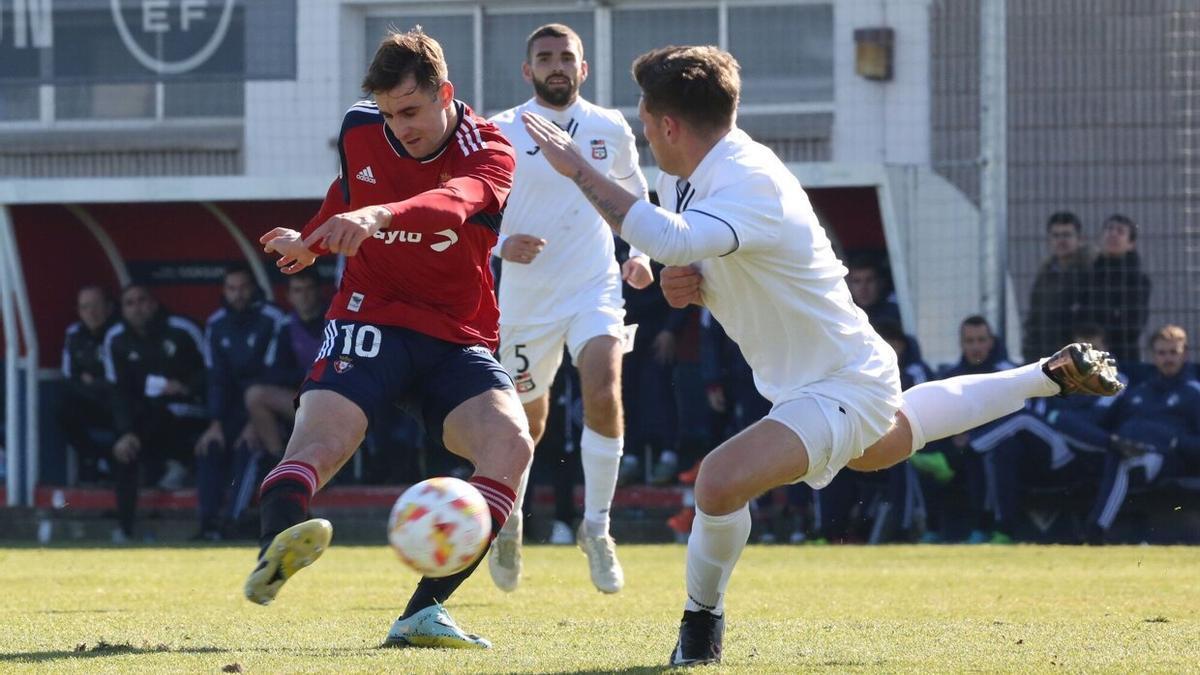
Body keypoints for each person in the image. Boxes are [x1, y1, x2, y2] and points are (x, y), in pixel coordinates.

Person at [522, 44, 1124, 665]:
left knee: (719, 482)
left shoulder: (750, 177)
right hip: (817, 376)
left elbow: (664, 235)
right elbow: (697, 250)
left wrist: (578, 169)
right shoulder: (684, 173)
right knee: (892, 441)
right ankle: (1045, 376)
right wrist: (694, 281)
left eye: (647, 124)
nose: (645, 137)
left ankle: (700, 626)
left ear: (669, 125)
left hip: (843, 380)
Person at [243, 27, 531, 650]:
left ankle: (421, 614)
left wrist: (378, 217)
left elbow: (453, 203)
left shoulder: (492, 149)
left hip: (456, 333)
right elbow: (351, 188)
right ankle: (278, 544)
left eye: (412, 111)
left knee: (510, 445)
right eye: (390, 113)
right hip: (369, 315)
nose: (400, 126)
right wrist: (311, 238)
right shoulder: (360, 125)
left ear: (445, 94)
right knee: (321, 440)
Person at [485, 23, 652, 594]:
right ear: (527, 70)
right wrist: (500, 246)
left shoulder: (609, 127)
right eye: (545, 58)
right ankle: (509, 520)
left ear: (583, 69)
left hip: (594, 289)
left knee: (604, 391)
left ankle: (598, 529)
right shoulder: (501, 129)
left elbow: (636, 196)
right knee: (526, 426)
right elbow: (469, 212)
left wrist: (643, 253)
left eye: (566, 58)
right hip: (526, 304)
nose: (556, 66)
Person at [1070, 325, 1199, 543]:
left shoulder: (1193, 393)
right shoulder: (1140, 390)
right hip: (1126, 447)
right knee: (1105, 447)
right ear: (1153, 356)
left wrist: (1175, 441)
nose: (1168, 359)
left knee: (1121, 460)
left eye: (1173, 352)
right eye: (1161, 353)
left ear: (1185, 353)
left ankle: (1095, 530)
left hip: (1163, 456)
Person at [101, 284, 208, 541]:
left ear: (153, 303)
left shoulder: (182, 330)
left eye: (142, 301)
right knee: (126, 446)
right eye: (130, 303)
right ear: (122, 309)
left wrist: (185, 386)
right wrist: (125, 431)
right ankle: (125, 529)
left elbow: (213, 371)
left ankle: (179, 464)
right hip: (146, 417)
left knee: (154, 420)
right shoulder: (116, 338)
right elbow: (118, 391)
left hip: (190, 408)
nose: (137, 308)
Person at [192, 264, 286, 539]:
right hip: (231, 412)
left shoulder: (273, 318)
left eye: (243, 287)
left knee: (248, 448)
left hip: (267, 413)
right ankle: (207, 524)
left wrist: (254, 422)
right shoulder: (216, 323)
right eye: (232, 288)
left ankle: (232, 522)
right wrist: (215, 423)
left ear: (255, 288)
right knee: (209, 447)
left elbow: (273, 373)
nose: (238, 294)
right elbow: (216, 377)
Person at [60, 285, 119, 484]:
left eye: (96, 306)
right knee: (63, 406)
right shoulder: (74, 333)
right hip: (93, 401)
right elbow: (70, 377)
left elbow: (119, 380)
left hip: (122, 403)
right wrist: (95, 384)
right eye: (84, 307)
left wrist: (94, 381)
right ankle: (91, 458)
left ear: (109, 308)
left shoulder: (120, 331)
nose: (90, 313)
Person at [1022, 211, 1091, 362]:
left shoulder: (1091, 271)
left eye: (1066, 235)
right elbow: (1035, 319)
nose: (1061, 240)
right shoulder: (1044, 275)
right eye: (1056, 235)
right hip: (1047, 356)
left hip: (1079, 357)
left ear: (1079, 239)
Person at [1086, 214, 1151, 365]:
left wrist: (1102, 336)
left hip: (1124, 356)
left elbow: (1134, 324)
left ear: (1131, 244)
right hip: (1088, 353)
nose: (1113, 234)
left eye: (1120, 231)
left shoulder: (1137, 279)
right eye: (1109, 229)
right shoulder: (1088, 274)